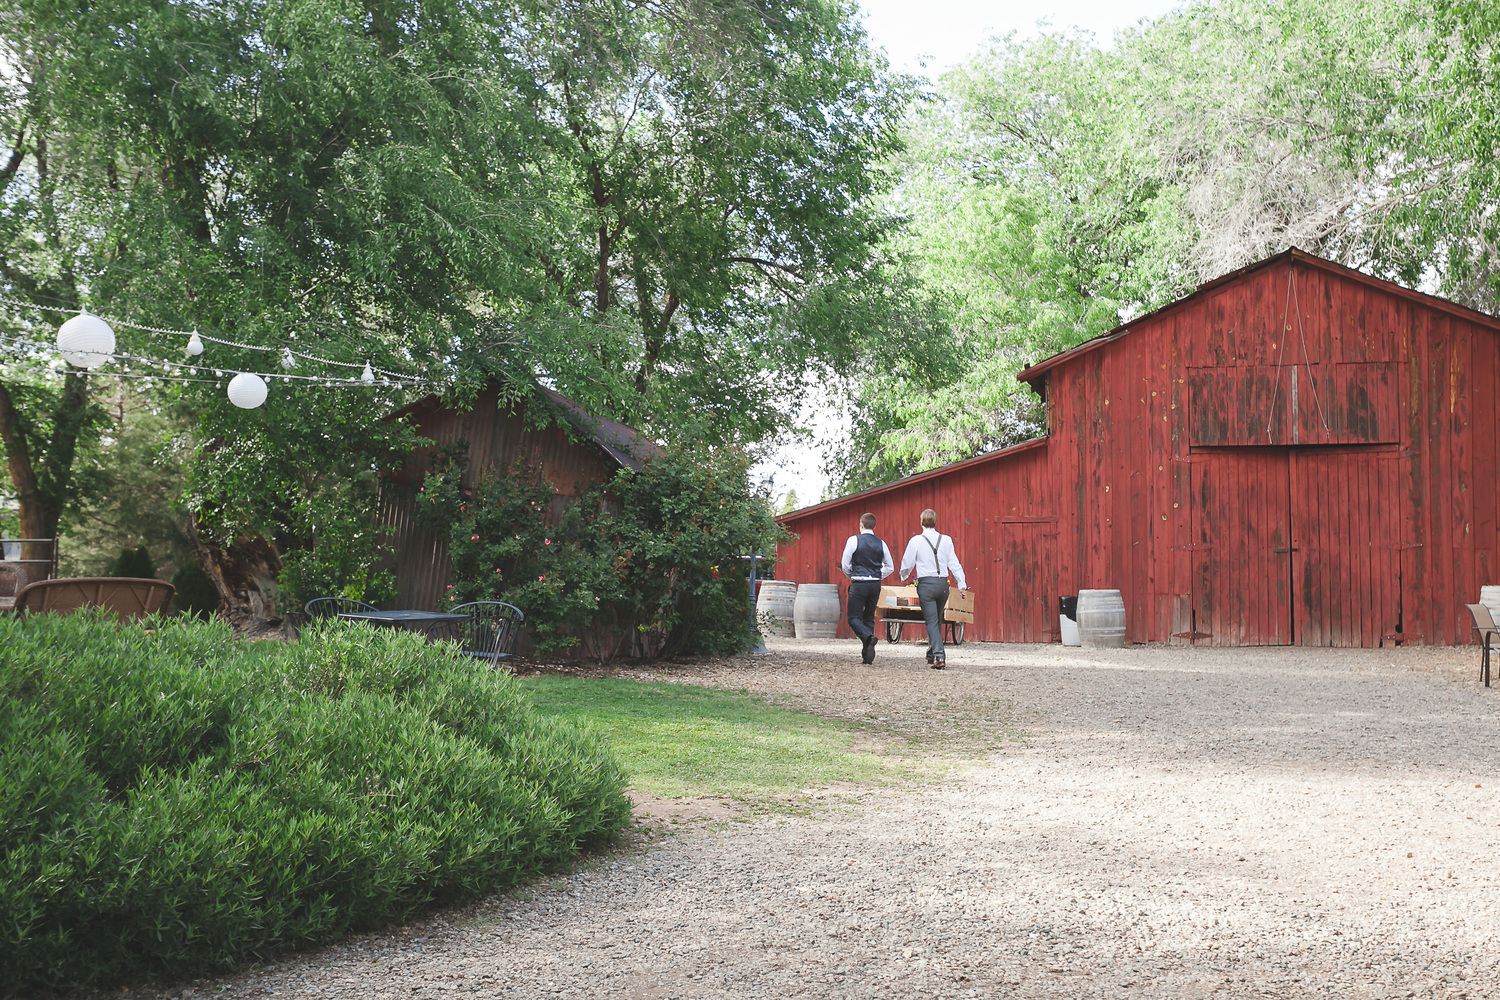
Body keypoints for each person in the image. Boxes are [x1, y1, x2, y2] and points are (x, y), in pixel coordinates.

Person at [899, 508, 967, 669]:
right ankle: (931, 653)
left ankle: (939, 655)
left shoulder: (916, 540)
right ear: (935, 522)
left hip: (926, 586)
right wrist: (962, 584)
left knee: (931, 621)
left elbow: (907, 563)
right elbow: (954, 564)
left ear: (921, 522)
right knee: (935, 620)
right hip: (943, 585)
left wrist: (903, 575)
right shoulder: (947, 540)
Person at [840, 512, 895, 664]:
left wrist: (851, 575)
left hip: (859, 583)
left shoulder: (853, 540)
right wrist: (878, 575)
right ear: (874, 526)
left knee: (853, 618)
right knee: (869, 617)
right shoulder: (881, 543)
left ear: (861, 525)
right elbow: (890, 567)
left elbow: (845, 564)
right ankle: (867, 655)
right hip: (875, 584)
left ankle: (868, 638)